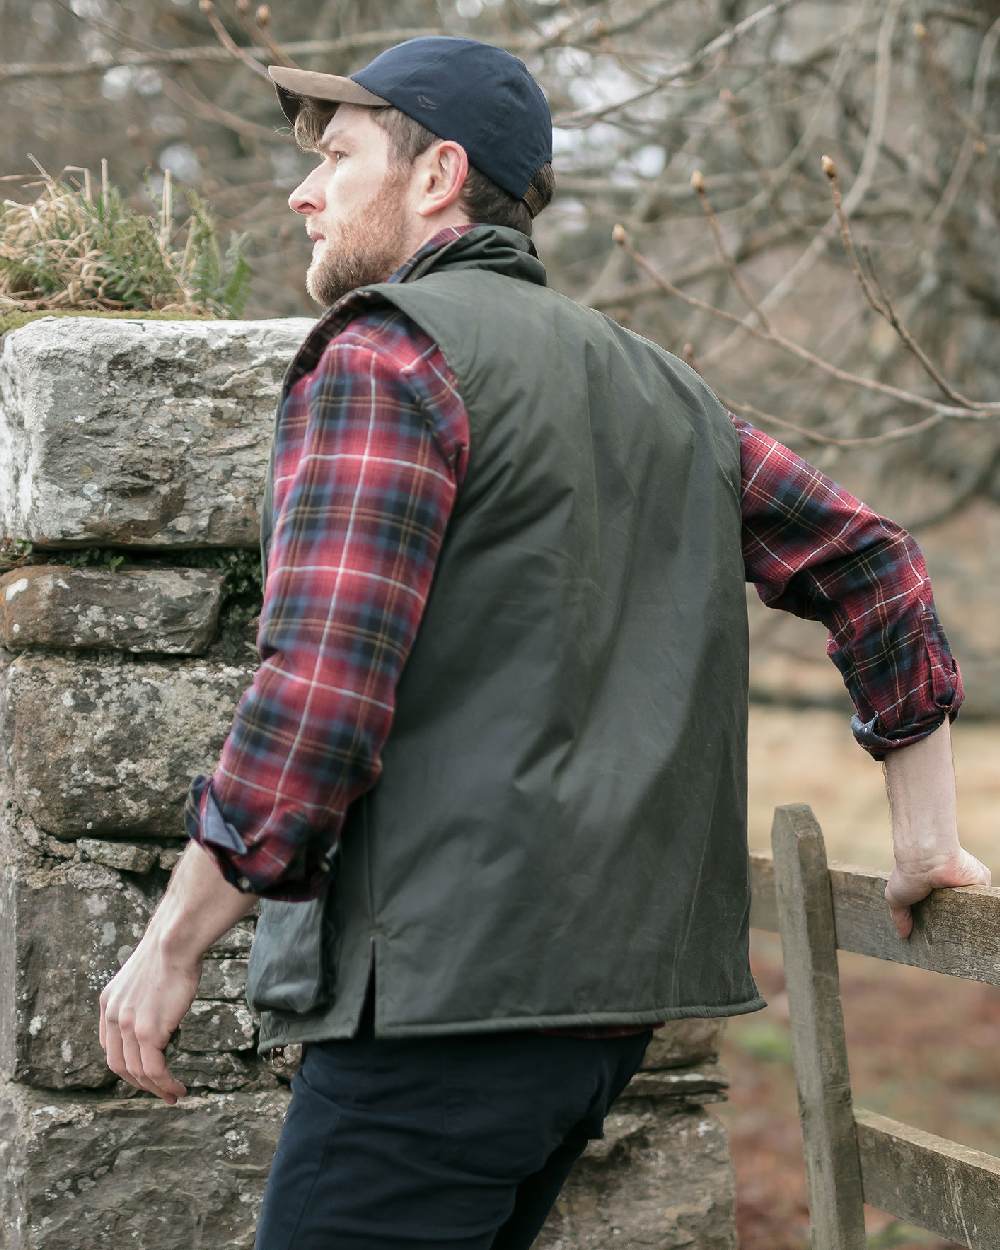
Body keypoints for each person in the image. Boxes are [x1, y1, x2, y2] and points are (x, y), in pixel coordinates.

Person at [98, 35, 991, 1250]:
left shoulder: (386, 357)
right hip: (602, 1021)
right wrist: (925, 834)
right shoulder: (671, 391)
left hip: (440, 1013)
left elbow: (318, 691)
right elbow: (872, 561)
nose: (303, 192)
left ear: (436, 176)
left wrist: (168, 945)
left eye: (340, 157)